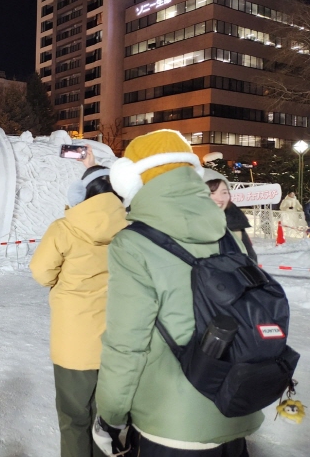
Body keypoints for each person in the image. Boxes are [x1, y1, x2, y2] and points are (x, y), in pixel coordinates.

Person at [94, 130, 262, 456]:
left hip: (171, 422)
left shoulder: (133, 244)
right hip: (233, 406)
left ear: (131, 178)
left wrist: (111, 416)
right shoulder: (228, 234)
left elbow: (127, 343)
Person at [30, 146, 127, 457]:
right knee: (106, 422)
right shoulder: (131, 229)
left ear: (80, 195)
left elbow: (42, 273)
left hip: (73, 342)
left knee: (74, 419)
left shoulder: (65, 228)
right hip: (116, 339)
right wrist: (94, 165)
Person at [203, 169, 257, 263]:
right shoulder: (183, 225)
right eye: (212, 193)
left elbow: (250, 261)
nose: (220, 199)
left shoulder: (235, 223)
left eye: (224, 192)